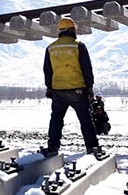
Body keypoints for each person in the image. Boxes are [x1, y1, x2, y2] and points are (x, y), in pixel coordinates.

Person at [42, 17, 99, 154]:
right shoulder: (78, 45)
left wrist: (49, 87)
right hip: (77, 90)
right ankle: (92, 147)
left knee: (56, 118)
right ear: (73, 30)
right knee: (85, 119)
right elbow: (86, 68)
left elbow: (47, 70)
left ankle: (53, 146)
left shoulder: (51, 47)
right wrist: (89, 86)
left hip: (58, 90)